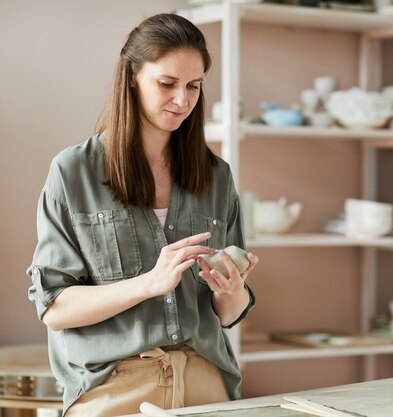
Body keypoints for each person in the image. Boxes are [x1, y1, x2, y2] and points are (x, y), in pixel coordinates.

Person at [26, 13, 257, 417]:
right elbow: (55, 309)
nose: (182, 100)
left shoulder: (217, 176)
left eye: (194, 86)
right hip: (112, 390)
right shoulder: (72, 172)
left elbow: (229, 314)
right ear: (132, 76)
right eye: (167, 84)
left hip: (207, 385)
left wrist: (230, 289)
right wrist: (149, 283)